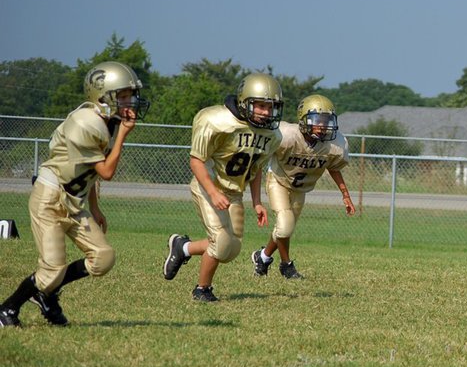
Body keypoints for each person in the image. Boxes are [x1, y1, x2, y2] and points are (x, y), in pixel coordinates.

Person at [0, 62, 148, 327]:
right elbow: (105, 171)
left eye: (131, 94)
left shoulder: (109, 121)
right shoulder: (85, 123)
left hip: (75, 201)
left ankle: (47, 292)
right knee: (51, 271)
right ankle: (8, 308)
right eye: (123, 95)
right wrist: (124, 135)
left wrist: (96, 207)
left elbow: (88, 173)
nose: (131, 101)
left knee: (103, 258)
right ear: (103, 96)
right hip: (50, 198)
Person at [162, 73, 283, 301]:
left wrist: (257, 202)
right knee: (220, 243)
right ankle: (202, 289)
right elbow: (196, 160)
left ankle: (183, 248)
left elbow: (255, 169)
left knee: (231, 250)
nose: (266, 112)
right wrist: (213, 192)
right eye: (260, 105)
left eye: (270, 107)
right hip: (209, 185)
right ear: (244, 102)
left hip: (234, 193)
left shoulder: (271, 135)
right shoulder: (217, 120)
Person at [251, 94, 355, 280]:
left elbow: (333, 167)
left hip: (301, 189)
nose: (323, 125)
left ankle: (263, 257)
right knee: (285, 226)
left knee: (285, 228)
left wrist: (345, 195)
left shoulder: (333, 144)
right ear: (304, 119)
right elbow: (261, 154)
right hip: (279, 180)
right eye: (318, 120)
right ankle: (286, 265)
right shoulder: (286, 135)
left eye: (327, 120)